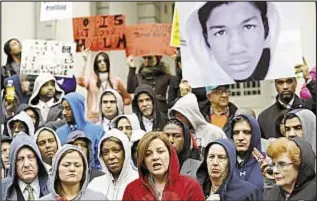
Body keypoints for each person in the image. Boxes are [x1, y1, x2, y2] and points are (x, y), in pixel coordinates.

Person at [183, 2, 280, 85]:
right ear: (206, 37)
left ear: (266, 28)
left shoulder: (287, 62)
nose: (236, 48)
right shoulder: (192, 78)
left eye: (248, 27)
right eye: (220, 33)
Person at [122, 132, 205, 201]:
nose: (155, 157)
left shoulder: (191, 186)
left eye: (160, 151)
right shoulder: (132, 189)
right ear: (143, 161)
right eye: (148, 154)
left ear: (170, 154)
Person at [196, 138, 263, 200]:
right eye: (211, 157)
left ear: (231, 162)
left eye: (221, 157)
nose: (215, 163)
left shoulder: (248, 193)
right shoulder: (195, 190)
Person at [77, 50, 131, 122]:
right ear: (96, 64)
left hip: (113, 118)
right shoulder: (91, 80)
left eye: (104, 61)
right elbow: (80, 81)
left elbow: (127, 98)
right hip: (94, 118)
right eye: (99, 61)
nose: (102, 63)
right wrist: (85, 62)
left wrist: (117, 104)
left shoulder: (116, 80)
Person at [39, 145, 108, 201]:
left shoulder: (99, 198)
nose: (72, 169)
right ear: (56, 169)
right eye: (66, 165)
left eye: (77, 165)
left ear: (84, 170)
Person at [56, 92, 104, 169]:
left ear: (77, 108)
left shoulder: (97, 131)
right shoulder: (59, 132)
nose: (64, 112)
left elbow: (101, 160)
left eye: (68, 108)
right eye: (63, 108)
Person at [258, 75, 316, 139]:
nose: (285, 87)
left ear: (295, 83)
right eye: (280, 82)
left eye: (289, 82)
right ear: (275, 85)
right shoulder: (264, 117)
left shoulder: (309, 108)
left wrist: (309, 80)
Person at [87, 129, 138, 200]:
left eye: (116, 150)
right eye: (105, 153)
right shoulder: (95, 185)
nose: (111, 157)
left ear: (126, 152)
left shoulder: (140, 182)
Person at [1, 132, 50, 200]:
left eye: (30, 157)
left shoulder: (54, 186)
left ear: (38, 160)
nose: (26, 164)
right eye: (19, 159)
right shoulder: (2, 190)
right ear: (13, 164)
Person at [229, 114, 264, 192]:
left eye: (246, 132)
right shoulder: (226, 163)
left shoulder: (267, 163)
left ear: (255, 135)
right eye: (236, 132)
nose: (240, 138)